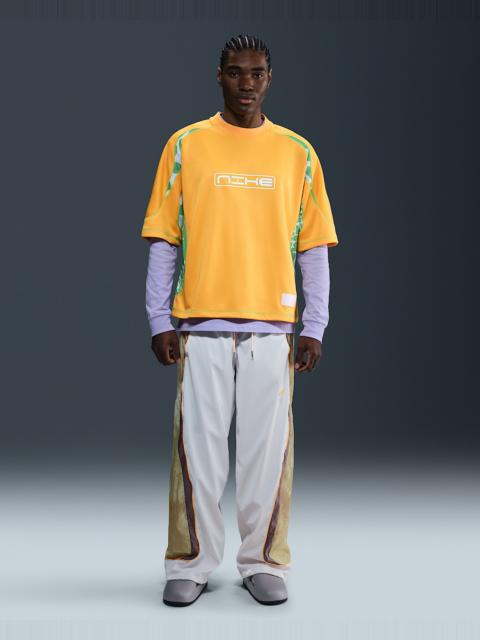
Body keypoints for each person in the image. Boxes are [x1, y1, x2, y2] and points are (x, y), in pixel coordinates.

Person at [140, 34, 339, 607]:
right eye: (235, 72)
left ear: (269, 79)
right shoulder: (186, 145)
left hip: (271, 330)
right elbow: (164, 238)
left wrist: (314, 325)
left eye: (256, 74)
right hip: (200, 325)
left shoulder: (297, 153)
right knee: (197, 454)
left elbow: (313, 247)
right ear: (219, 76)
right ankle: (191, 562)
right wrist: (158, 317)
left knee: (266, 455)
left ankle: (262, 561)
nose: (245, 84)